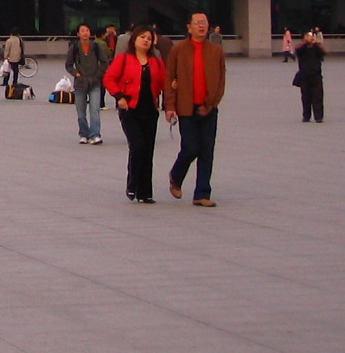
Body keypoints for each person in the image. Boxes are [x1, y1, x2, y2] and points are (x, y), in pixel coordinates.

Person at [164, 12, 227, 207]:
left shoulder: (216, 50)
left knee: (207, 150)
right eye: (197, 23)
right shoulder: (178, 50)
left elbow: (221, 80)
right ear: (189, 27)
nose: (201, 26)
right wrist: (170, 106)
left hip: (208, 107)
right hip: (186, 107)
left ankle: (202, 193)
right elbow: (169, 79)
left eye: (204, 22)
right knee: (191, 147)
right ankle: (176, 175)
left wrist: (212, 104)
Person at [104, 25, 165, 203]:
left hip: (150, 110)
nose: (146, 41)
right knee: (138, 147)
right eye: (142, 37)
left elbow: (164, 82)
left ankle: (145, 192)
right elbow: (109, 79)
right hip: (130, 109)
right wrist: (119, 97)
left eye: (149, 38)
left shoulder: (156, 62)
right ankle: (132, 184)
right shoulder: (124, 59)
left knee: (148, 151)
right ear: (134, 40)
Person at [66, 24, 110, 145]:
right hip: (80, 83)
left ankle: (95, 134)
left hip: (95, 82)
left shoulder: (96, 46)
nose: (85, 33)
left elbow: (104, 62)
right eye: (82, 31)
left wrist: (98, 75)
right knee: (81, 112)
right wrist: (76, 74)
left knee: (95, 109)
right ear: (78, 34)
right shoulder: (74, 48)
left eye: (87, 30)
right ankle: (84, 134)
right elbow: (68, 64)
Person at [294, 30, 325, 123]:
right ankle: (306, 116)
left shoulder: (317, 47)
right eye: (307, 36)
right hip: (304, 76)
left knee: (318, 97)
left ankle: (318, 116)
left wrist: (315, 43)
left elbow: (323, 53)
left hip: (316, 76)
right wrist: (305, 43)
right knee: (305, 97)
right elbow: (297, 50)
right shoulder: (301, 48)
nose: (310, 37)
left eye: (311, 36)